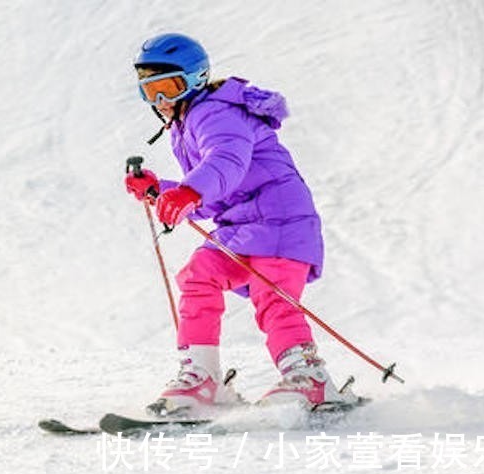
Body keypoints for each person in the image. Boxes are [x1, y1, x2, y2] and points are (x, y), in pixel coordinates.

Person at [124, 33, 357, 415]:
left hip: (280, 220)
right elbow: (214, 191)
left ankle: (309, 376)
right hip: (242, 228)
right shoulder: (185, 125)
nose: (161, 102)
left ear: (195, 80)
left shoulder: (215, 112)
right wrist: (162, 191)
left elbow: (226, 161)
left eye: (168, 88)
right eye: (149, 93)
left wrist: (189, 191)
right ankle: (202, 377)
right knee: (199, 275)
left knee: (272, 295)